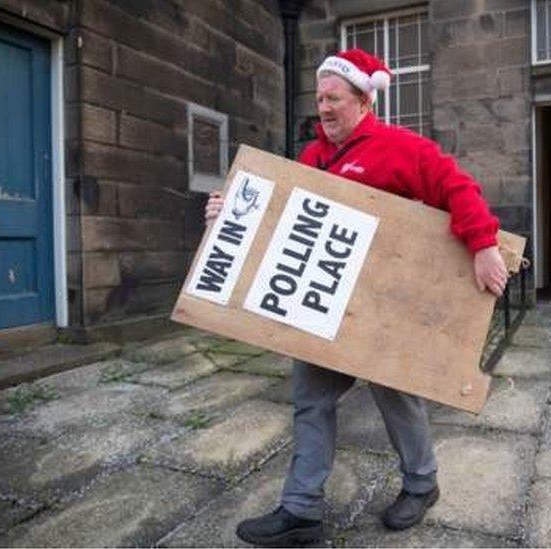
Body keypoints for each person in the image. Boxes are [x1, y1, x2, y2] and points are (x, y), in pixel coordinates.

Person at [205, 49, 508, 546]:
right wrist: (229, 215)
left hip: (390, 305)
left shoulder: (401, 148)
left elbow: (459, 187)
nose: (323, 108)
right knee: (310, 398)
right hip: (325, 305)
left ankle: (421, 484)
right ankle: (301, 512)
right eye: (320, 97)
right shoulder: (310, 158)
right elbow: (280, 221)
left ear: (365, 99)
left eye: (334, 98)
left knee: (397, 396)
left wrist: (483, 244)